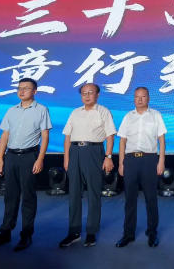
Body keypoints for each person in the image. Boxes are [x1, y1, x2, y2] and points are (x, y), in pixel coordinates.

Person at [0, 78, 52, 252]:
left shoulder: (42, 110)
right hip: (11, 156)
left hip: (29, 156)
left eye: (26, 88)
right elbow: (5, 136)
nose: (21, 91)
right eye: (19, 88)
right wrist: (0, 159)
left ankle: (26, 234)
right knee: (10, 196)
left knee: (28, 196)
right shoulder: (11, 110)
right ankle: (5, 232)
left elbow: (45, 137)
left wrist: (40, 159)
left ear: (34, 91)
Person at [59, 83, 116, 248]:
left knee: (93, 192)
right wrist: (66, 158)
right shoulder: (75, 112)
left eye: (91, 92)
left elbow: (110, 135)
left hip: (94, 151)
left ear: (97, 94)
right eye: (84, 93)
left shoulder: (103, 111)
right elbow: (67, 136)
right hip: (75, 151)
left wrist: (108, 157)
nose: (87, 95)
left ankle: (91, 231)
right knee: (74, 193)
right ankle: (74, 232)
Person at [115, 87, 166, 248]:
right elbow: (122, 141)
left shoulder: (156, 115)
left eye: (143, 96)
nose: (140, 99)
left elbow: (161, 140)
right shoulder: (128, 116)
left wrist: (161, 161)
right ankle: (128, 234)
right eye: (137, 96)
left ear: (148, 98)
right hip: (130, 160)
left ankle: (152, 233)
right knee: (130, 198)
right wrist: (121, 163)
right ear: (134, 99)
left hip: (149, 159)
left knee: (151, 198)